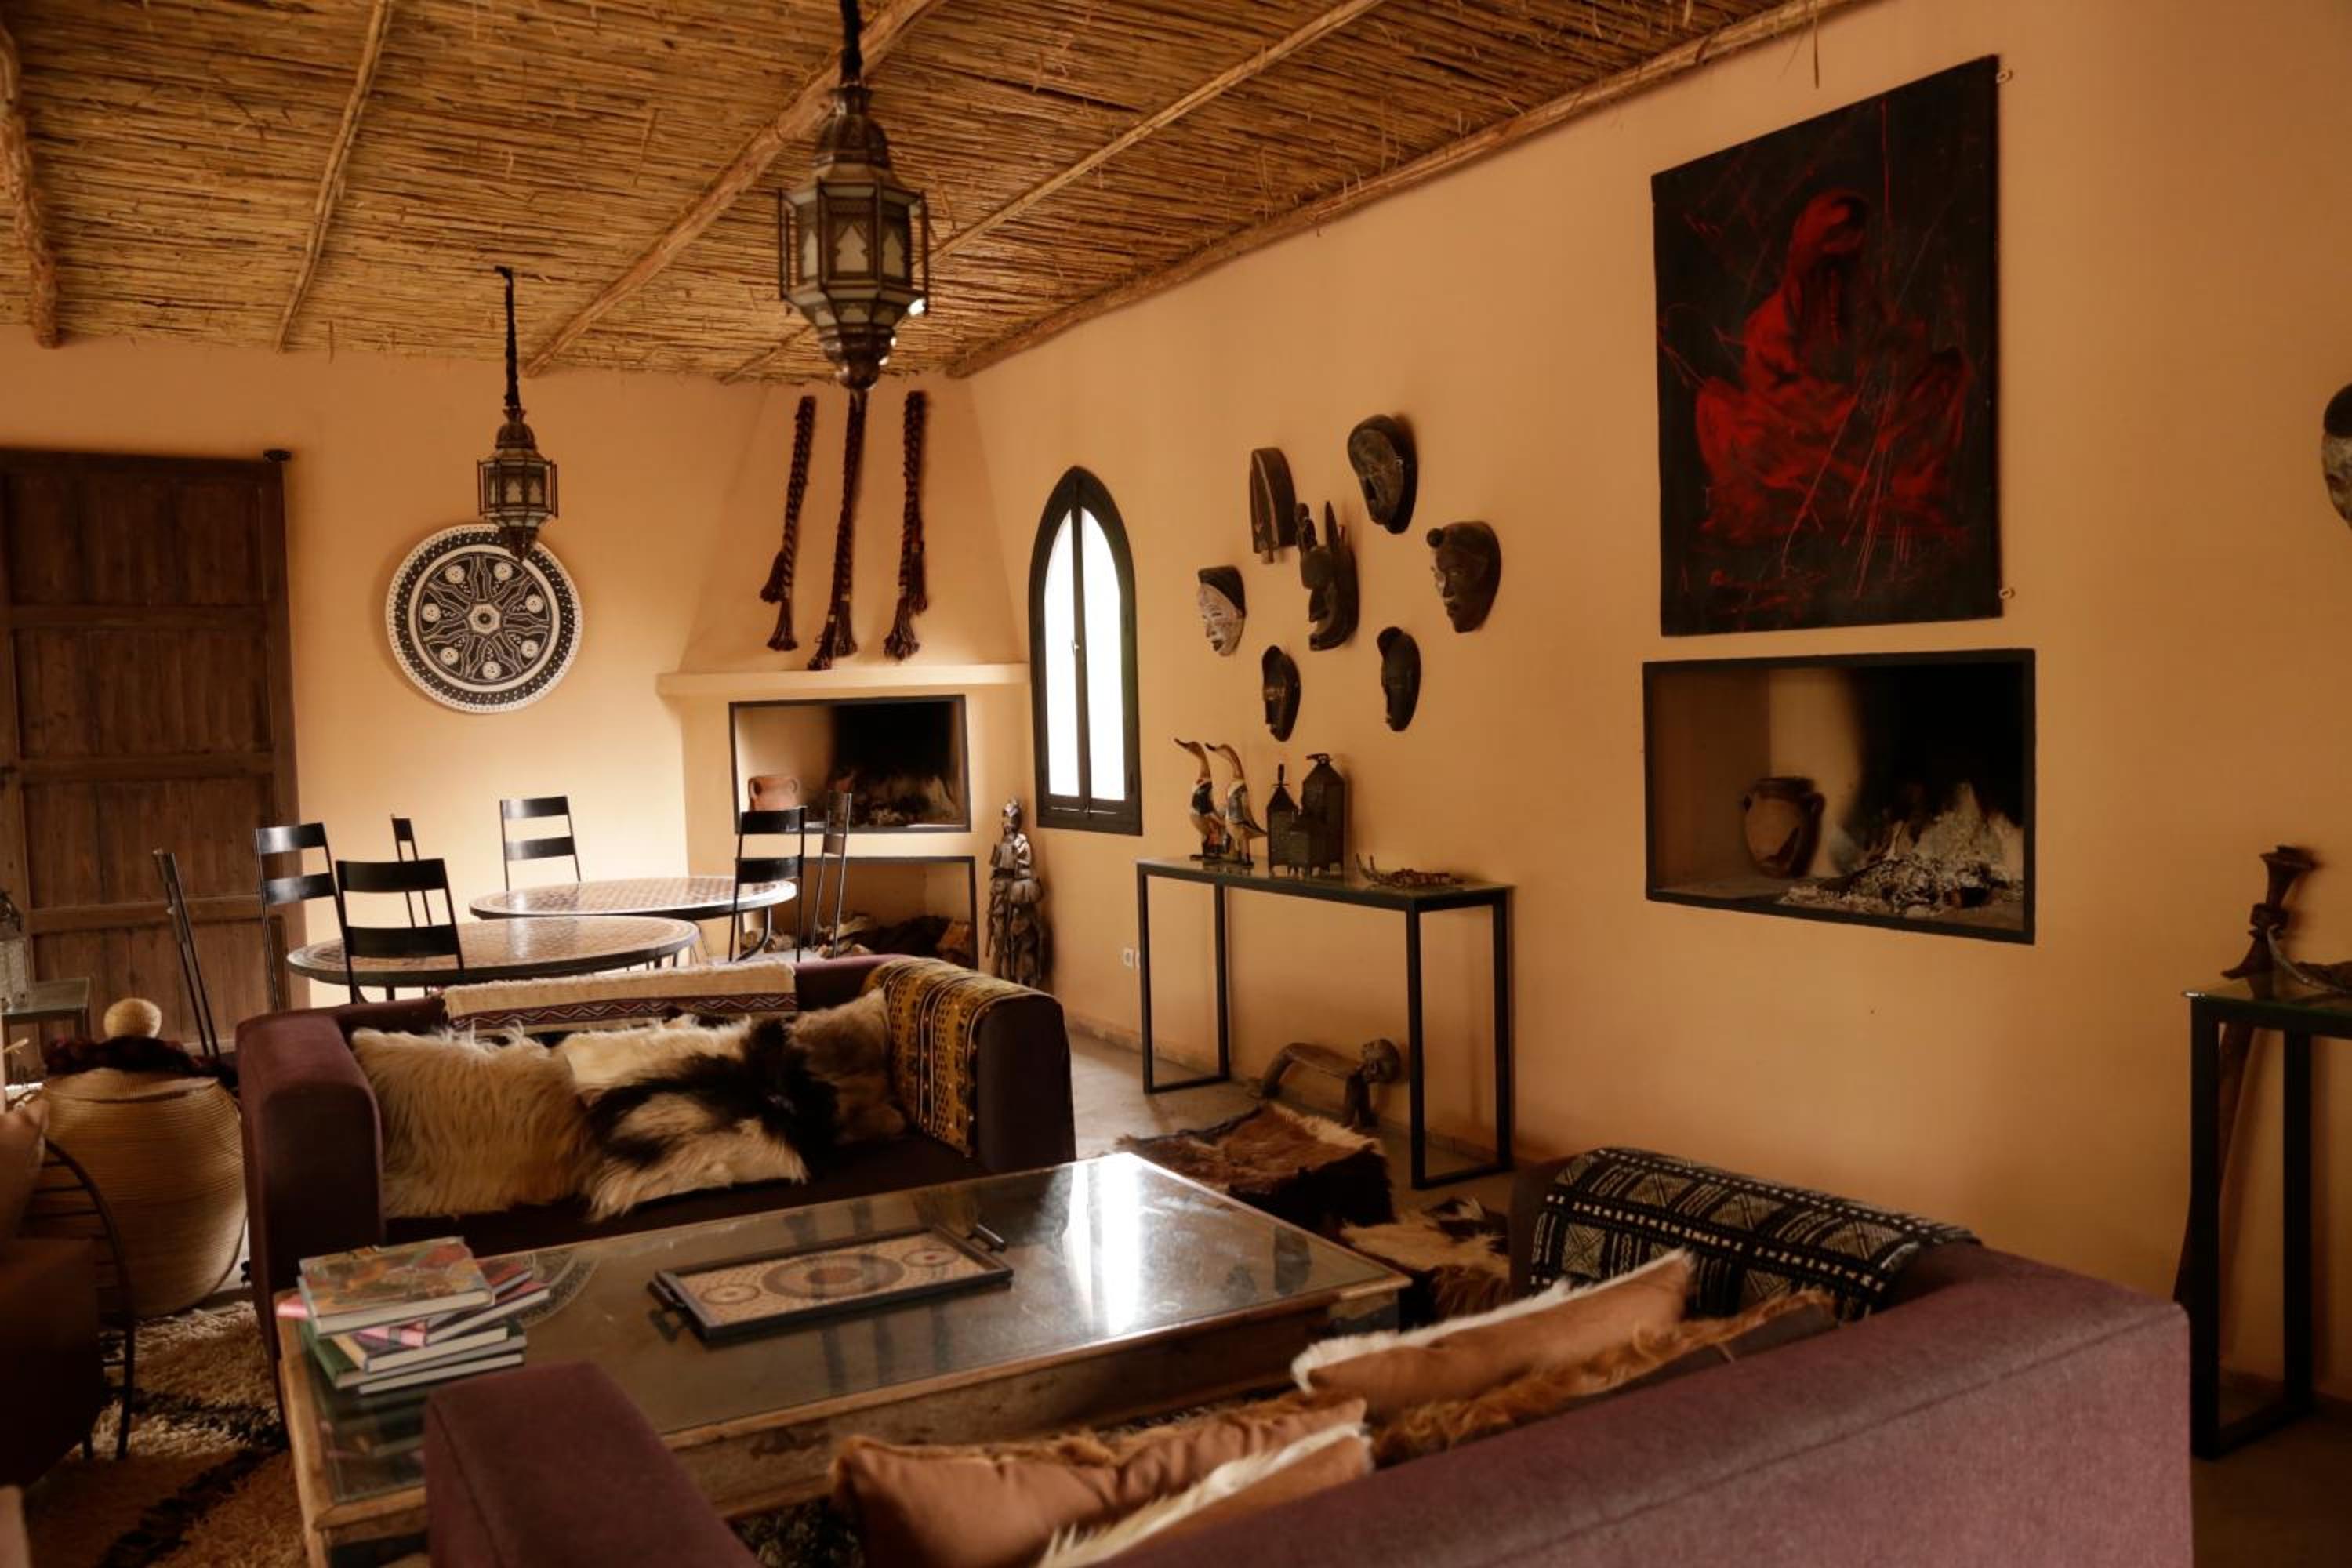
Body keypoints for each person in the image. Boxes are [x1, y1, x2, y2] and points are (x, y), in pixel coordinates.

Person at [986, 798, 1048, 988]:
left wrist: (1018, 878)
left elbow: (1025, 866)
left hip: (1015, 892)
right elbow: (995, 868)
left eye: (1012, 819)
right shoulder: (1000, 843)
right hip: (1000, 893)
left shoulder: (1022, 843)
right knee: (999, 943)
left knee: (1011, 942)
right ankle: (996, 982)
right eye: (1006, 819)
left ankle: (1011, 984)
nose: (1008, 824)